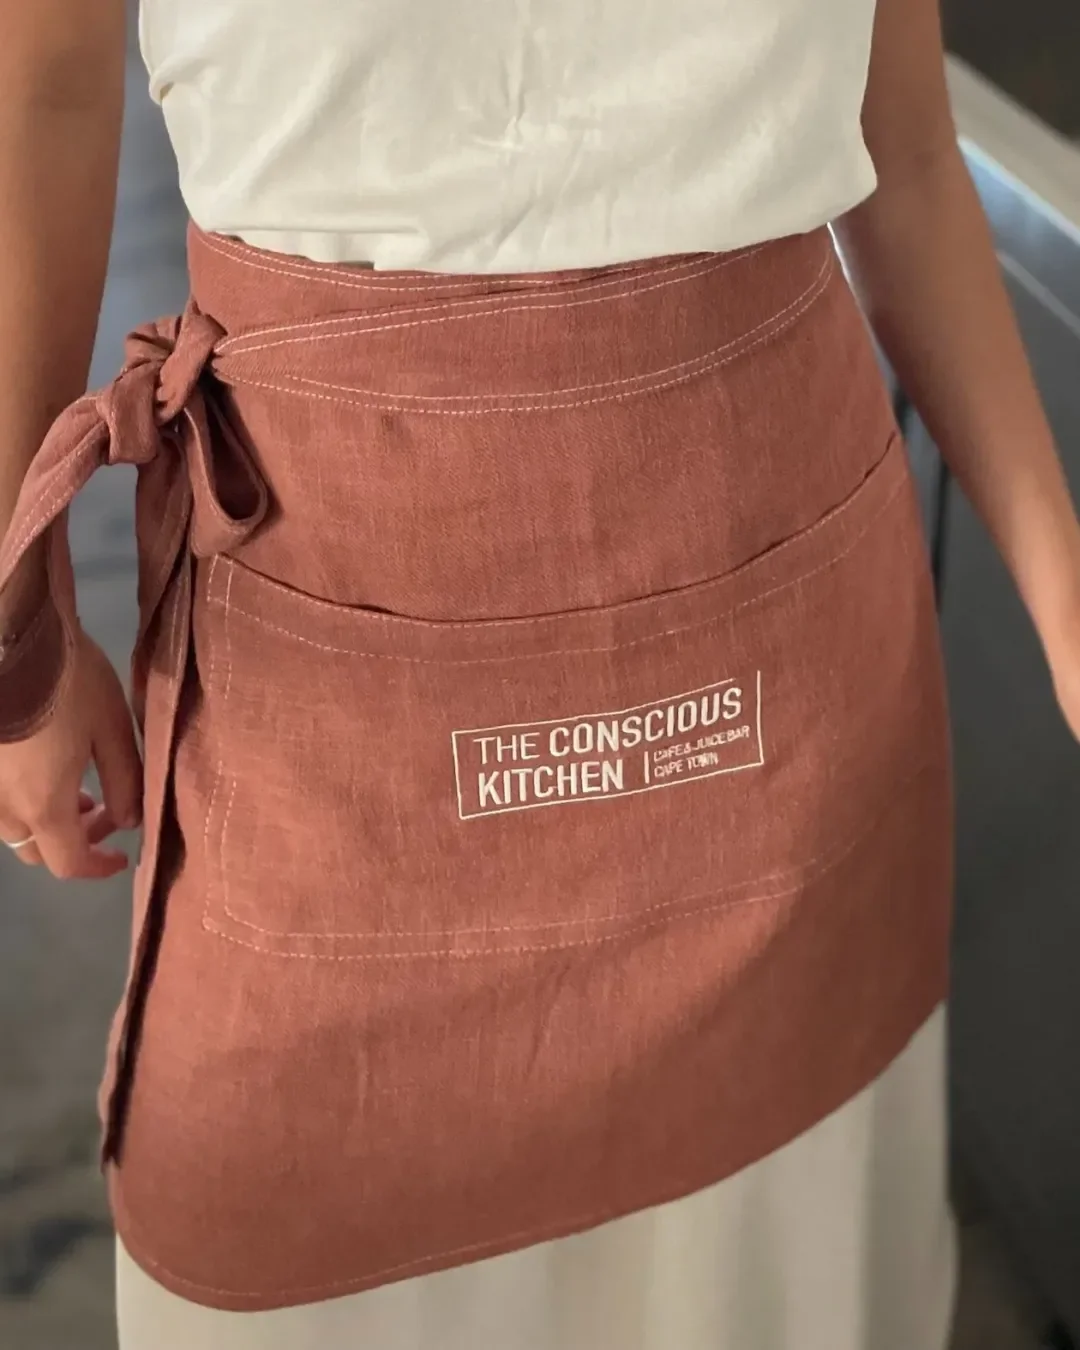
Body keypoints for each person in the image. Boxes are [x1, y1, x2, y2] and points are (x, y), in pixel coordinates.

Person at [1, 1, 1078, 1346]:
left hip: (786, 722)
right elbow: (40, 93)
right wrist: (20, 618)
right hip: (329, 711)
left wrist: (1067, 597)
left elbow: (905, 151)